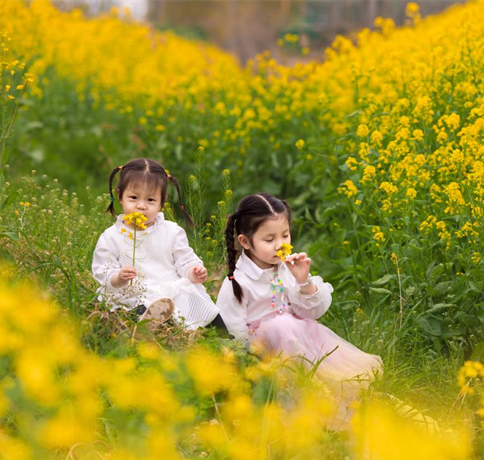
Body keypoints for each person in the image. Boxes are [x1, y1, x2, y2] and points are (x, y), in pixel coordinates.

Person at [216, 192, 382, 427]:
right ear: (245, 242)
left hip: (297, 342)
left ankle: (333, 404)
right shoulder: (237, 282)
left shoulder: (284, 268)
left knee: (292, 326)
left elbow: (311, 313)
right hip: (264, 354)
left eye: (285, 235)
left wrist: (304, 281)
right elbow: (231, 333)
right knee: (282, 325)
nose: (280, 244)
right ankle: (306, 409)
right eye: (269, 239)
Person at [92, 158, 223, 330]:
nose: (141, 206)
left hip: (169, 288)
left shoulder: (172, 231)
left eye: (151, 200)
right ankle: (149, 324)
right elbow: (103, 270)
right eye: (133, 197)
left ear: (162, 203)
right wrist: (118, 278)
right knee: (130, 305)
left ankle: (225, 337)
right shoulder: (111, 236)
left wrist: (193, 271)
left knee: (202, 305)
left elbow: (184, 259)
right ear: (120, 196)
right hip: (134, 291)